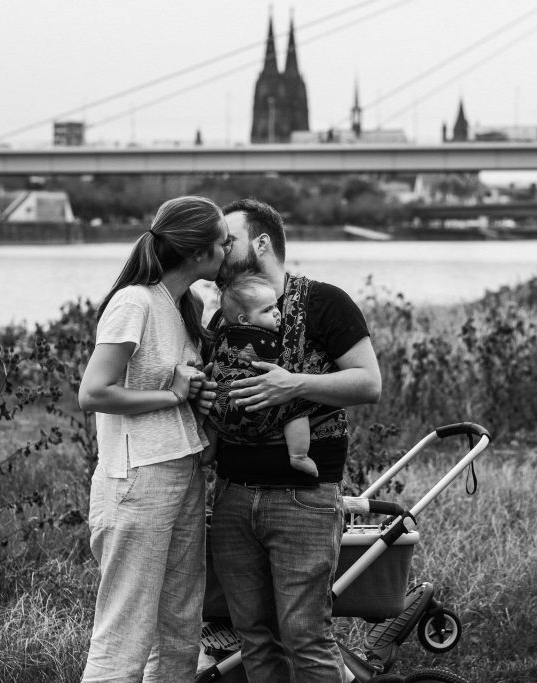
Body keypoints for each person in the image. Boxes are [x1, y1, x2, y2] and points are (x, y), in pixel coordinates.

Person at [203, 198, 382, 683]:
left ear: (262, 244)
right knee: (253, 638)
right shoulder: (224, 314)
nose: (218, 249)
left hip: (303, 498)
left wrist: (293, 384)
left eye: (229, 240)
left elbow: (369, 383)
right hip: (233, 496)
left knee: (306, 636)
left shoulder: (326, 302)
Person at [78, 195, 232, 682]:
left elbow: (175, 385)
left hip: (183, 472)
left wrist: (197, 397)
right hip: (139, 479)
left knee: (179, 631)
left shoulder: (185, 304)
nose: (229, 250)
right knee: (125, 633)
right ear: (197, 252)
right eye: (223, 242)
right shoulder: (134, 302)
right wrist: (173, 395)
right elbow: (93, 392)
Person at [206, 271, 319, 477]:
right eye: (267, 310)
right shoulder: (272, 341)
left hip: (223, 411)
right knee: (298, 408)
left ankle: (208, 452)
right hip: (261, 408)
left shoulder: (222, 335)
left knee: (210, 413)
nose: (277, 313)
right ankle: (298, 455)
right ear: (244, 320)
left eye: (276, 306)